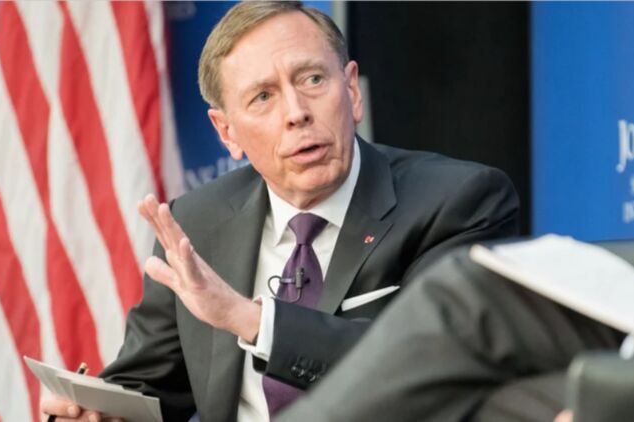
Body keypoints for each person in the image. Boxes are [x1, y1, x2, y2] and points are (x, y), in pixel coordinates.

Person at [41, 2, 518, 421]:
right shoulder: (198, 223)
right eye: (263, 97)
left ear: (351, 90)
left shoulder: (459, 200)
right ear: (227, 132)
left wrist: (250, 320)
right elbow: (151, 388)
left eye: (312, 79)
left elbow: (432, 364)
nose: (296, 112)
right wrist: (98, 413)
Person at [277, 247, 623, 422]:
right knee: (494, 405)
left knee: (465, 298)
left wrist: (258, 321)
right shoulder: (239, 210)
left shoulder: (455, 194)